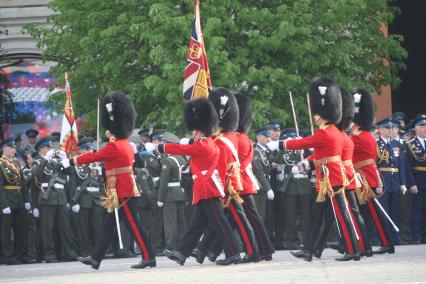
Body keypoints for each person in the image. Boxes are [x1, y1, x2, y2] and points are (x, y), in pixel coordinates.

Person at [63, 92, 155, 270]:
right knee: (109, 225)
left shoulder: (114, 145)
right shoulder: (126, 144)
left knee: (133, 225)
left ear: (112, 130)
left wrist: (71, 160)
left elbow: (93, 156)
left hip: (123, 190)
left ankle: (148, 256)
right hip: (119, 189)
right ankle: (96, 258)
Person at [273, 77, 359, 262]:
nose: (314, 116)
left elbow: (304, 143)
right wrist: (307, 163)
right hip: (327, 177)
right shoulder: (332, 131)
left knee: (342, 214)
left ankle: (353, 249)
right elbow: (321, 154)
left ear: (322, 115)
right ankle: (310, 250)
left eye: (316, 114)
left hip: (332, 178)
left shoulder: (324, 132)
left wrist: (279, 144)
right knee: (317, 216)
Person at [161, 98, 241, 266]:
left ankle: (233, 252)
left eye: (194, 132)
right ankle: (181, 253)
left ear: (199, 131)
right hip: (205, 186)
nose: (193, 135)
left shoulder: (203, 144)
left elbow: (185, 149)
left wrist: (163, 147)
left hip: (207, 188)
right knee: (197, 224)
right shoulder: (207, 142)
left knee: (220, 223)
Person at [350, 89, 395, 254]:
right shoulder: (366, 135)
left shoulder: (357, 137)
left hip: (364, 180)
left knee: (373, 214)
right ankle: (380, 243)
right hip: (368, 177)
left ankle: (382, 244)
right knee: (370, 214)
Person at [235, 93, 275, 262]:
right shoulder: (243, 137)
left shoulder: (237, 138)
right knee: (251, 218)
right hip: (245, 181)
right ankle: (265, 249)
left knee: (248, 218)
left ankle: (255, 251)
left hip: (240, 182)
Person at [31, 138, 78, 262]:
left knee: (65, 227)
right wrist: (46, 159)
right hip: (47, 199)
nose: (51, 150)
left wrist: (64, 159)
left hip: (60, 198)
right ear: (41, 149)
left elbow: (70, 172)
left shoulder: (57, 162)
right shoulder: (37, 162)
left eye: (51, 147)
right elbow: (37, 175)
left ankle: (68, 253)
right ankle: (49, 255)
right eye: (48, 147)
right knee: (48, 229)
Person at [68, 137, 105, 257]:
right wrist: (74, 202)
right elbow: (73, 184)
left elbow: (102, 182)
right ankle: (87, 251)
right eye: (88, 149)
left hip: (97, 199)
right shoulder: (77, 164)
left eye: (91, 149)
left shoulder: (97, 164)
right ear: (82, 151)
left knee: (97, 226)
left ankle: (98, 250)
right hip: (83, 199)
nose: (91, 151)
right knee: (84, 228)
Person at [376, 117, 407, 244]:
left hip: (395, 181)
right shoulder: (376, 144)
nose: (390, 130)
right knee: (383, 211)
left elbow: (401, 165)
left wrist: (403, 182)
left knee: (395, 211)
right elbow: (374, 165)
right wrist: (376, 183)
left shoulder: (396, 144)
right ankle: (383, 237)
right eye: (387, 128)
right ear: (380, 129)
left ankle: (395, 236)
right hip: (382, 180)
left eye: (392, 128)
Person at [0, 138, 30, 264]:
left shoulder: (16, 163)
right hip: (7, 198)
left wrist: (27, 199)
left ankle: (21, 254)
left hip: (19, 199)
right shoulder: (1, 163)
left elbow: (22, 182)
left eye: (14, 148)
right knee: (6, 231)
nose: (14, 150)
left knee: (21, 229)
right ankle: (8, 256)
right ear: (4, 148)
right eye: (11, 148)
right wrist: (4, 204)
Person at [157, 133, 187, 251]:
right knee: (181, 221)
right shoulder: (182, 159)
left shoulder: (168, 161)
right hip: (181, 192)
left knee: (170, 222)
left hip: (170, 195)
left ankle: (171, 246)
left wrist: (160, 199)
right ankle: (182, 245)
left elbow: (164, 182)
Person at [406, 114, 426, 244]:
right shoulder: (410, 145)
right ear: (415, 128)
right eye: (422, 126)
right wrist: (412, 184)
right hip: (418, 181)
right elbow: (407, 167)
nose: (425, 128)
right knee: (417, 210)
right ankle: (416, 236)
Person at [252, 127, 274, 220]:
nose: (268, 139)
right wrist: (268, 188)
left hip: (266, 183)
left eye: (268, 137)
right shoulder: (256, 151)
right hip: (259, 186)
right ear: (259, 137)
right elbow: (258, 172)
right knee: (259, 215)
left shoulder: (266, 150)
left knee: (266, 216)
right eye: (265, 137)